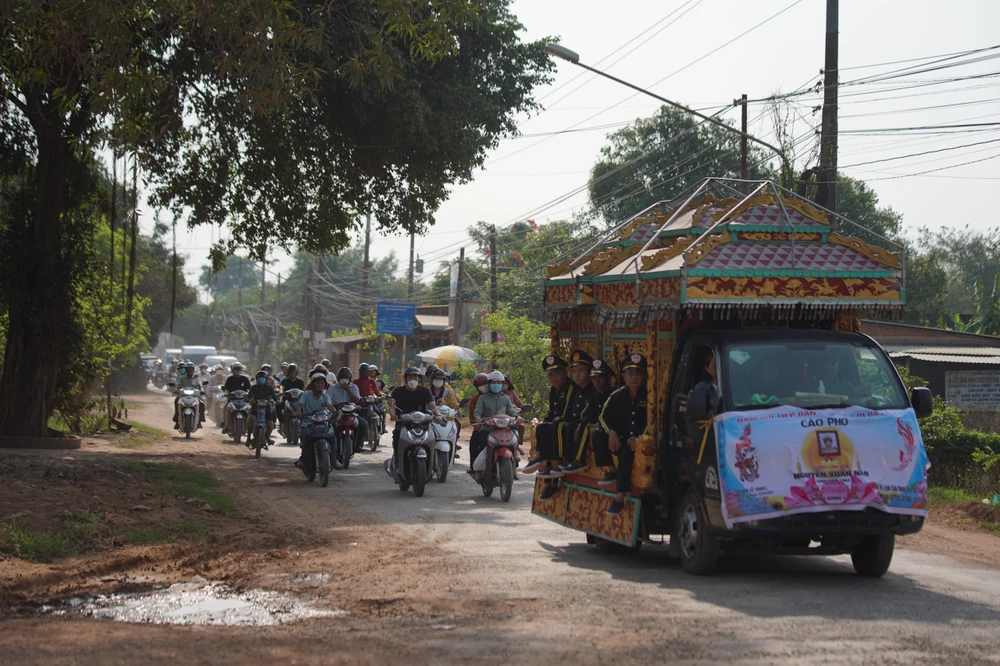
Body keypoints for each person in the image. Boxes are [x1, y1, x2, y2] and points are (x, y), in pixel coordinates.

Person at [600, 354, 649, 516]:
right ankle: (610, 470)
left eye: (637, 373)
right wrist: (611, 432)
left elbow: (653, 418)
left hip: (638, 442)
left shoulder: (648, 396)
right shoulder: (617, 396)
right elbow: (603, 417)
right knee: (597, 435)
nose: (634, 377)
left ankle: (619, 498)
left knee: (626, 456)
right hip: (618, 440)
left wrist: (640, 437)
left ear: (643, 376)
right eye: (630, 373)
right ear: (624, 376)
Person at [523, 355, 577, 501]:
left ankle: (555, 465)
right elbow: (552, 413)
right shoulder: (554, 391)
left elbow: (565, 414)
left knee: (555, 425)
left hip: (569, 426)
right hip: (558, 426)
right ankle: (540, 460)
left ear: (564, 373)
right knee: (542, 427)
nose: (554, 378)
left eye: (557, 373)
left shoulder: (571, 388)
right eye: (550, 374)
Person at [550, 349, 597, 476]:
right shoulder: (576, 389)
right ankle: (561, 460)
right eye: (574, 372)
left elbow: (592, 414)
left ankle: (577, 461)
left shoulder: (593, 390)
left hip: (588, 424)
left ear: (589, 372)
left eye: (581, 371)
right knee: (562, 423)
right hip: (576, 423)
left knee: (575, 425)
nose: (577, 375)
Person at [470, 371, 519, 475]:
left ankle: (514, 467)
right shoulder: (483, 398)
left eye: (499, 383)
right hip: (488, 428)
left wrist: (517, 418)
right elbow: (477, 412)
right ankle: (480, 469)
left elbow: (511, 412)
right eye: (494, 383)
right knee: (482, 440)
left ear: (502, 384)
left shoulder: (506, 398)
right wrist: (478, 418)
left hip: (504, 429)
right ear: (489, 384)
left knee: (514, 439)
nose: (496, 385)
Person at [389, 367, 442, 459]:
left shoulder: (425, 391)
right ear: (405, 379)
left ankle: (433, 460)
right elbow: (392, 405)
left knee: (434, 435)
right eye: (409, 377)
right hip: (403, 424)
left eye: (415, 377)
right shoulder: (398, 391)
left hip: (422, 424)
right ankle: (398, 459)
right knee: (397, 434)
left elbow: (432, 405)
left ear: (419, 379)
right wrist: (393, 415)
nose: (412, 379)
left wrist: (437, 415)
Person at [296, 370, 335, 475]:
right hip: (308, 423)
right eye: (317, 383)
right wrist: (299, 412)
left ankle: (334, 460)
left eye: (322, 383)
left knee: (332, 436)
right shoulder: (306, 394)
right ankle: (303, 460)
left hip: (322, 423)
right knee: (305, 438)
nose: (320, 385)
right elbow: (300, 405)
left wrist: (336, 413)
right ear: (313, 384)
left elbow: (330, 407)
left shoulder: (325, 396)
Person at [328, 366, 369, 454]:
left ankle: (357, 445)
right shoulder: (333, 388)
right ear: (338, 378)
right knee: (330, 426)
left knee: (364, 424)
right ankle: (332, 446)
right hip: (337, 413)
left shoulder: (354, 387)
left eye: (346, 378)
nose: (344, 380)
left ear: (350, 378)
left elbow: (356, 400)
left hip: (351, 414)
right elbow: (328, 402)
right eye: (342, 378)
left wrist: (347, 390)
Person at [247, 369, 277, 446]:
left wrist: (277, 401)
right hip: (255, 409)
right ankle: (248, 438)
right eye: (260, 378)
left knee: (271, 423)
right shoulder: (253, 387)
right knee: (251, 419)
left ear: (266, 379)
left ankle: (267, 438)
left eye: (263, 378)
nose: (261, 379)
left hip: (266, 409)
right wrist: (251, 400)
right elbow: (249, 396)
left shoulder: (269, 388)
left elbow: (274, 397)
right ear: (257, 379)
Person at [172, 362, 205, 428]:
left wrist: (202, 391)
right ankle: (177, 421)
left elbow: (200, 386)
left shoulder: (196, 377)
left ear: (193, 370)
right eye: (188, 369)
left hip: (194, 396)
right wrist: (176, 390)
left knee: (202, 403)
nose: (190, 370)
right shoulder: (181, 378)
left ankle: (200, 421)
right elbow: (178, 386)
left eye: (191, 369)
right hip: (183, 395)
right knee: (176, 401)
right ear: (186, 370)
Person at [278, 363, 305, 431]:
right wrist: (281, 391)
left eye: (294, 372)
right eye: (291, 372)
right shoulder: (285, 380)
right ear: (288, 373)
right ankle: (281, 422)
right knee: (278, 405)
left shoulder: (300, 381)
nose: (292, 374)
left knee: (305, 409)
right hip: (287, 399)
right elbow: (282, 387)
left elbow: (304, 389)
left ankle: (304, 425)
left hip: (298, 400)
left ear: (296, 373)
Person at [693, 350, 720, 416]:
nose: (720, 369)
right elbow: (699, 412)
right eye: (715, 366)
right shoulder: (701, 388)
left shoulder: (738, 385)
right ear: (707, 369)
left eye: (722, 365)